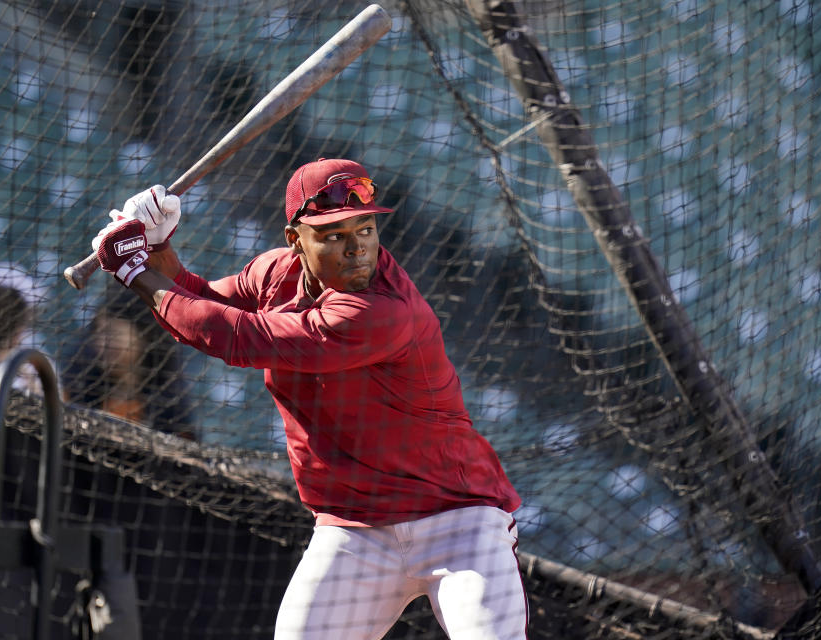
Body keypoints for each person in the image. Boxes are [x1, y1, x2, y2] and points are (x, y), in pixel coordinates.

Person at [88, 158, 528, 639]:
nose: (357, 248)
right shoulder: (274, 273)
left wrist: (134, 268)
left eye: (365, 228)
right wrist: (156, 250)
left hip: (457, 522)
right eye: (333, 235)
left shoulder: (382, 310)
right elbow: (198, 305)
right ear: (295, 241)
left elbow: (235, 338)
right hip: (355, 528)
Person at [61, 288, 196, 440]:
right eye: (99, 333)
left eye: (112, 334)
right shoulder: (82, 388)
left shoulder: (170, 406)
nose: (103, 343)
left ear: (143, 335)